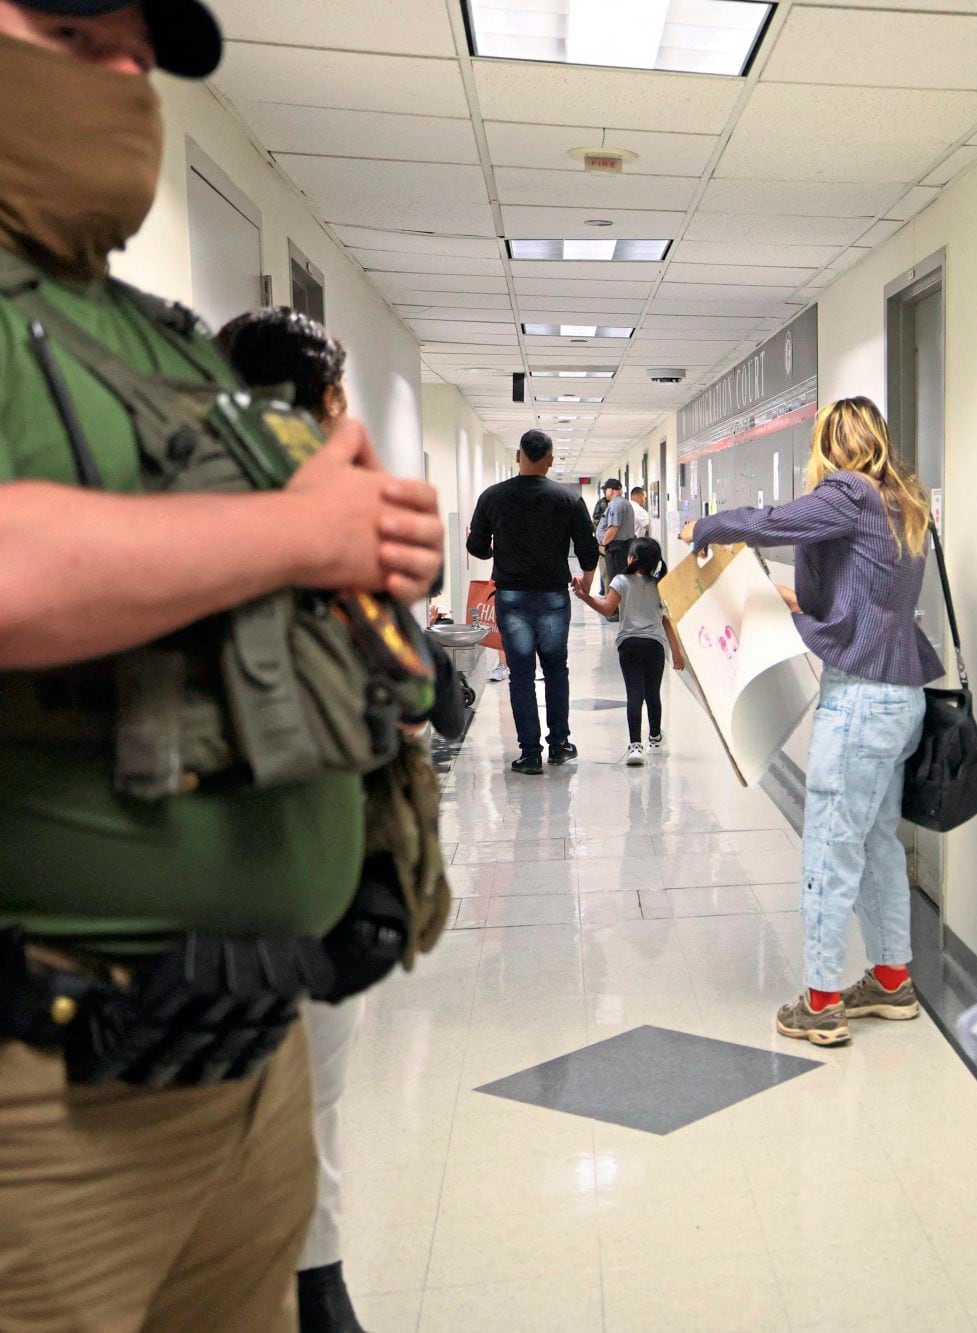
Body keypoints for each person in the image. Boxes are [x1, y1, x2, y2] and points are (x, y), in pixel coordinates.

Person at [0, 1, 448, 1327]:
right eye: (77, 29)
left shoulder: (149, 341)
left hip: (241, 1056)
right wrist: (290, 527)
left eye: (143, 51)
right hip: (51, 1100)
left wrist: (364, 547)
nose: (128, 73)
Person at [212, 306, 377, 1333]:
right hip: (294, 870)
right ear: (322, 406)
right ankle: (315, 1296)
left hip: (158, 890)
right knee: (304, 1109)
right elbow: (401, 696)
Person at [683, 397, 942, 1047]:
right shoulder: (900, 502)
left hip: (859, 704)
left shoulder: (849, 494)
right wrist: (791, 598)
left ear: (832, 445)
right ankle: (890, 981)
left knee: (828, 848)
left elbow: (772, 521)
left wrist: (708, 528)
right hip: (900, 696)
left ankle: (822, 1000)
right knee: (878, 844)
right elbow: (863, 599)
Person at [466, 429, 597, 775]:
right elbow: (587, 549)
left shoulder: (493, 497)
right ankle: (559, 745)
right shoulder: (568, 499)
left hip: (511, 596)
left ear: (517, 456)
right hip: (553, 595)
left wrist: (498, 551)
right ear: (550, 461)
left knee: (520, 674)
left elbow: (476, 547)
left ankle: (529, 753)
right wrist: (586, 584)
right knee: (556, 670)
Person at [574, 535, 675, 766]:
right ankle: (655, 738)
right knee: (653, 694)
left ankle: (635, 746)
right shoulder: (661, 585)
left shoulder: (620, 580)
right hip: (655, 645)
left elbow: (608, 609)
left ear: (631, 558)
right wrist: (677, 654)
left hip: (629, 645)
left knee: (634, 694)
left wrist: (585, 597)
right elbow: (667, 621)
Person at [595, 476, 633, 603]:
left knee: (615, 579)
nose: (605, 493)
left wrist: (603, 543)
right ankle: (617, 608)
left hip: (616, 548)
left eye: (605, 490)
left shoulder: (616, 505)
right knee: (618, 578)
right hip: (622, 546)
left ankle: (615, 609)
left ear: (610, 490)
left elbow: (613, 527)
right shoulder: (623, 503)